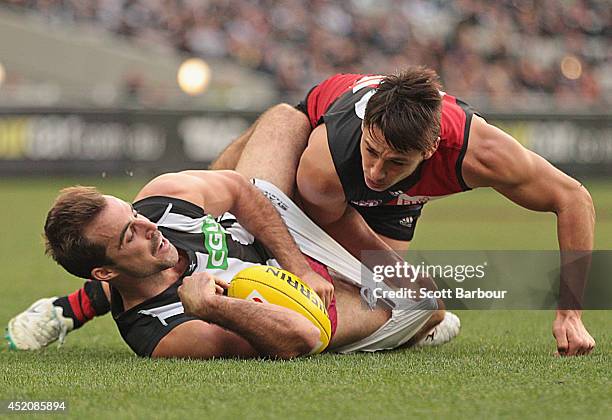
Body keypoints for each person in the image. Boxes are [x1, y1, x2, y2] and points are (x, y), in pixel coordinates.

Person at [211, 67, 596, 357]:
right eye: (373, 151)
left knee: (407, 302)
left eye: (396, 162)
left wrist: (571, 313)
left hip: (396, 209)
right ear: (365, 127)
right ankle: (202, 223)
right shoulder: (326, 158)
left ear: (430, 150)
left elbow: (573, 199)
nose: (377, 172)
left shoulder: (481, 153)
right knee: (263, 203)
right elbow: (319, 223)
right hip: (327, 188)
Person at [6, 112, 455, 358]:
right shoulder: (166, 334)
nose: (148, 225)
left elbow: (240, 189)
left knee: (283, 121)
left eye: (132, 214)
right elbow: (298, 339)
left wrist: (299, 262)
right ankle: (410, 327)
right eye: (129, 234)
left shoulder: (158, 205)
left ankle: (73, 306)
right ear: (103, 269)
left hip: (280, 235)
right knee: (425, 304)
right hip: (295, 304)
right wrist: (215, 306)